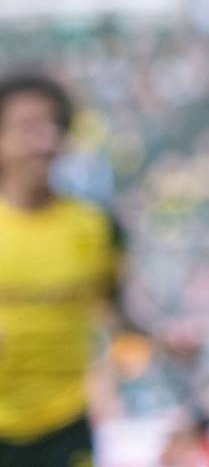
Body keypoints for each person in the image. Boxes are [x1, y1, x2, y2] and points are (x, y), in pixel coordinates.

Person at [0, 73, 121, 467]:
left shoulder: (94, 226)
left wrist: (168, 341)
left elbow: (115, 308)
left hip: (67, 425)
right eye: (28, 126)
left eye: (53, 125)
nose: (45, 139)